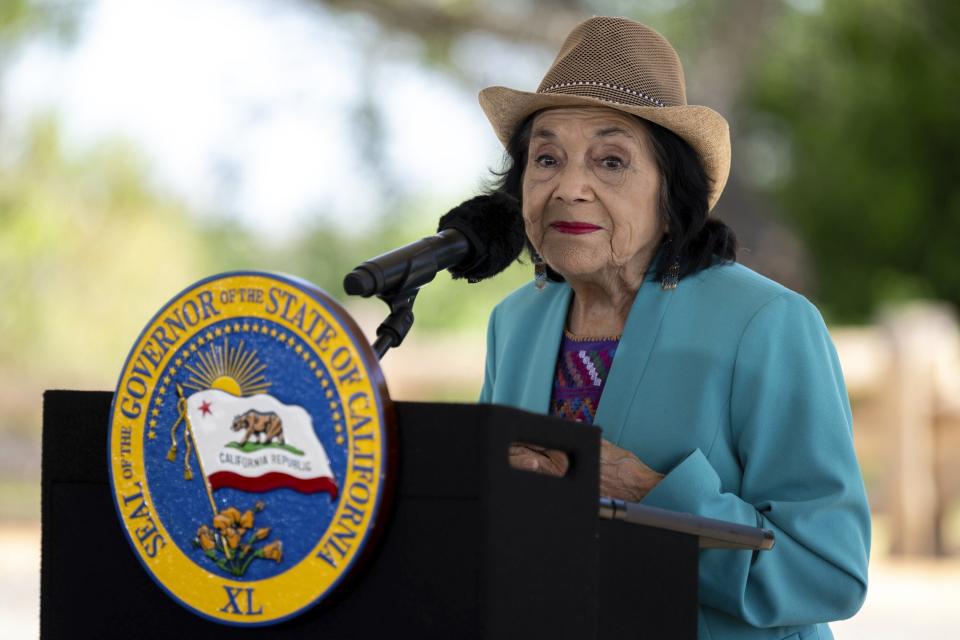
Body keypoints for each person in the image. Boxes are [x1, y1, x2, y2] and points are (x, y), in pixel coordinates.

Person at [477, 16, 870, 640]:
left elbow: (830, 572)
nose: (568, 188)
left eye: (610, 161)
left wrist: (649, 494)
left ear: (671, 195)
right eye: (546, 158)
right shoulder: (514, 324)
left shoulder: (768, 323)